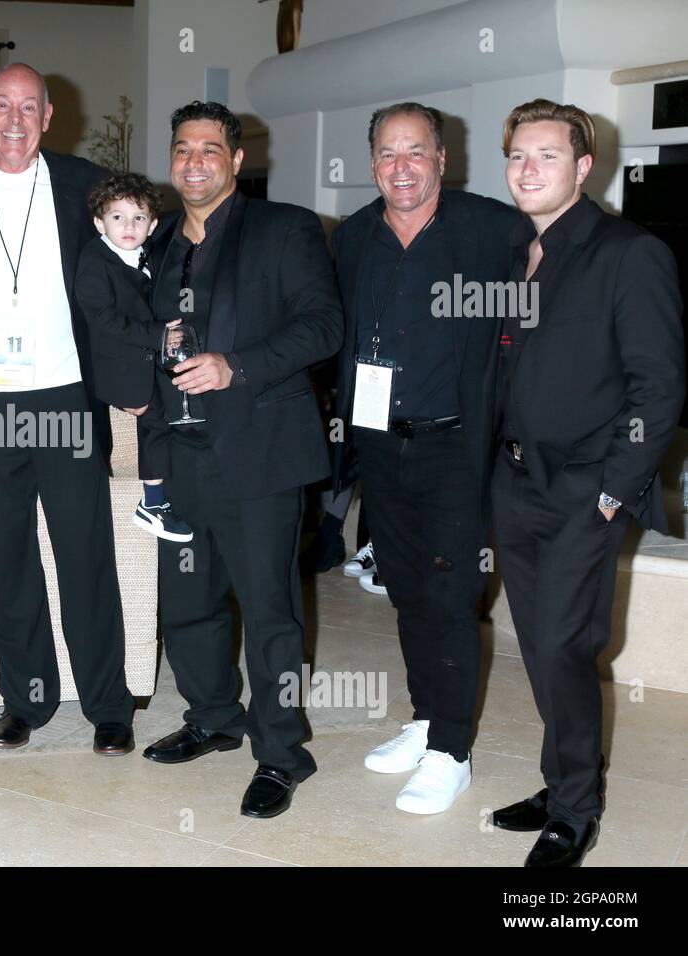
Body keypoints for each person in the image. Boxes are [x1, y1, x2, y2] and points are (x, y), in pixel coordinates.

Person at [0, 63, 135, 755]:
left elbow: (131, 270)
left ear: (48, 117)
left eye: (28, 107)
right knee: (8, 557)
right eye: (2, 105)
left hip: (66, 396)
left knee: (85, 553)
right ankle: (26, 702)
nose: (14, 119)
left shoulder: (84, 184)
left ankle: (108, 707)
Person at [491, 99, 684, 866]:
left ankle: (575, 810)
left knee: (567, 646)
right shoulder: (514, 254)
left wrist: (613, 487)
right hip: (512, 482)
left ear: (582, 166)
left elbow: (659, 385)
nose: (527, 169)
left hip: (582, 489)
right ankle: (561, 776)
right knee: (538, 644)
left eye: (544, 155)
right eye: (516, 156)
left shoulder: (628, 253)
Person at [139, 101, 343, 819]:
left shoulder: (285, 229)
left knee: (271, 613)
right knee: (190, 603)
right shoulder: (159, 238)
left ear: (236, 159)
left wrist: (237, 365)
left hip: (257, 454)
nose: (195, 162)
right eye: (183, 149)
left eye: (210, 150)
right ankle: (214, 717)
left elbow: (322, 327)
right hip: (180, 452)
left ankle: (283, 753)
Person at [330, 102, 523, 814]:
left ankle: (452, 751)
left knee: (449, 594)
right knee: (407, 589)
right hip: (382, 443)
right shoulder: (352, 238)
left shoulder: (492, 229)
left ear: (443, 160)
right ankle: (425, 717)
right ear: (372, 161)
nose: (401, 166)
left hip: (456, 444)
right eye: (387, 153)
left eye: (416, 152)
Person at [74, 172, 191, 542]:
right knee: (155, 414)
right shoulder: (95, 260)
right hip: (116, 367)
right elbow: (103, 319)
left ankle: (175, 489)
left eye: (138, 218)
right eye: (117, 217)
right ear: (99, 223)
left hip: (148, 356)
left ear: (152, 224)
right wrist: (159, 334)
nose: (128, 226)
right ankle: (152, 503)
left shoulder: (149, 255)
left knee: (183, 403)